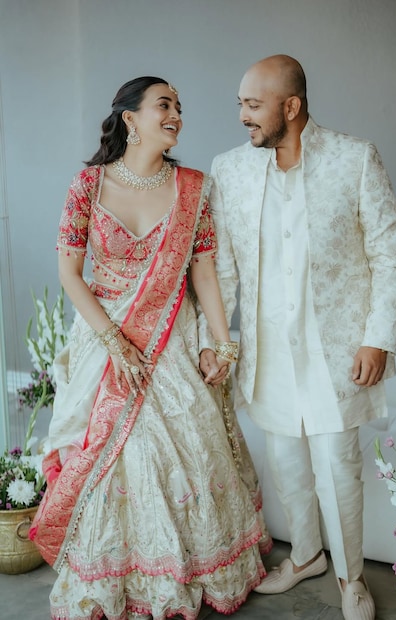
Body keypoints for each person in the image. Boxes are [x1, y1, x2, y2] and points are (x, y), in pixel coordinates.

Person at [30, 76, 271, 620]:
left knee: (183, 453)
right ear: (130, 118)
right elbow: (70, 275)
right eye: (164, 105)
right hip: (106, 339)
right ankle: (116, 577)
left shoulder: (192, 188)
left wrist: (222, 345)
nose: (176, 115)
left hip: (173, 339)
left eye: (179, 106)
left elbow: (203, 272)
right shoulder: (87, 186)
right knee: (115, 458)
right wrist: (115, 344)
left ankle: (186, 572)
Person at [198, 55, 396, 620]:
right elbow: (222, 270)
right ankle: (307, 556)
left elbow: (389, 256)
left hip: (336, 351)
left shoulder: (354, 158)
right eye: (240, 104)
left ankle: (351, 579)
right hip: (267, 350)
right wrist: (215, 341)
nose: (242, 115)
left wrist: (378, 339)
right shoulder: (230, 170)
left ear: (290, 106)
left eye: (253, 104)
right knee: (286, 464)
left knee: (338, 467)